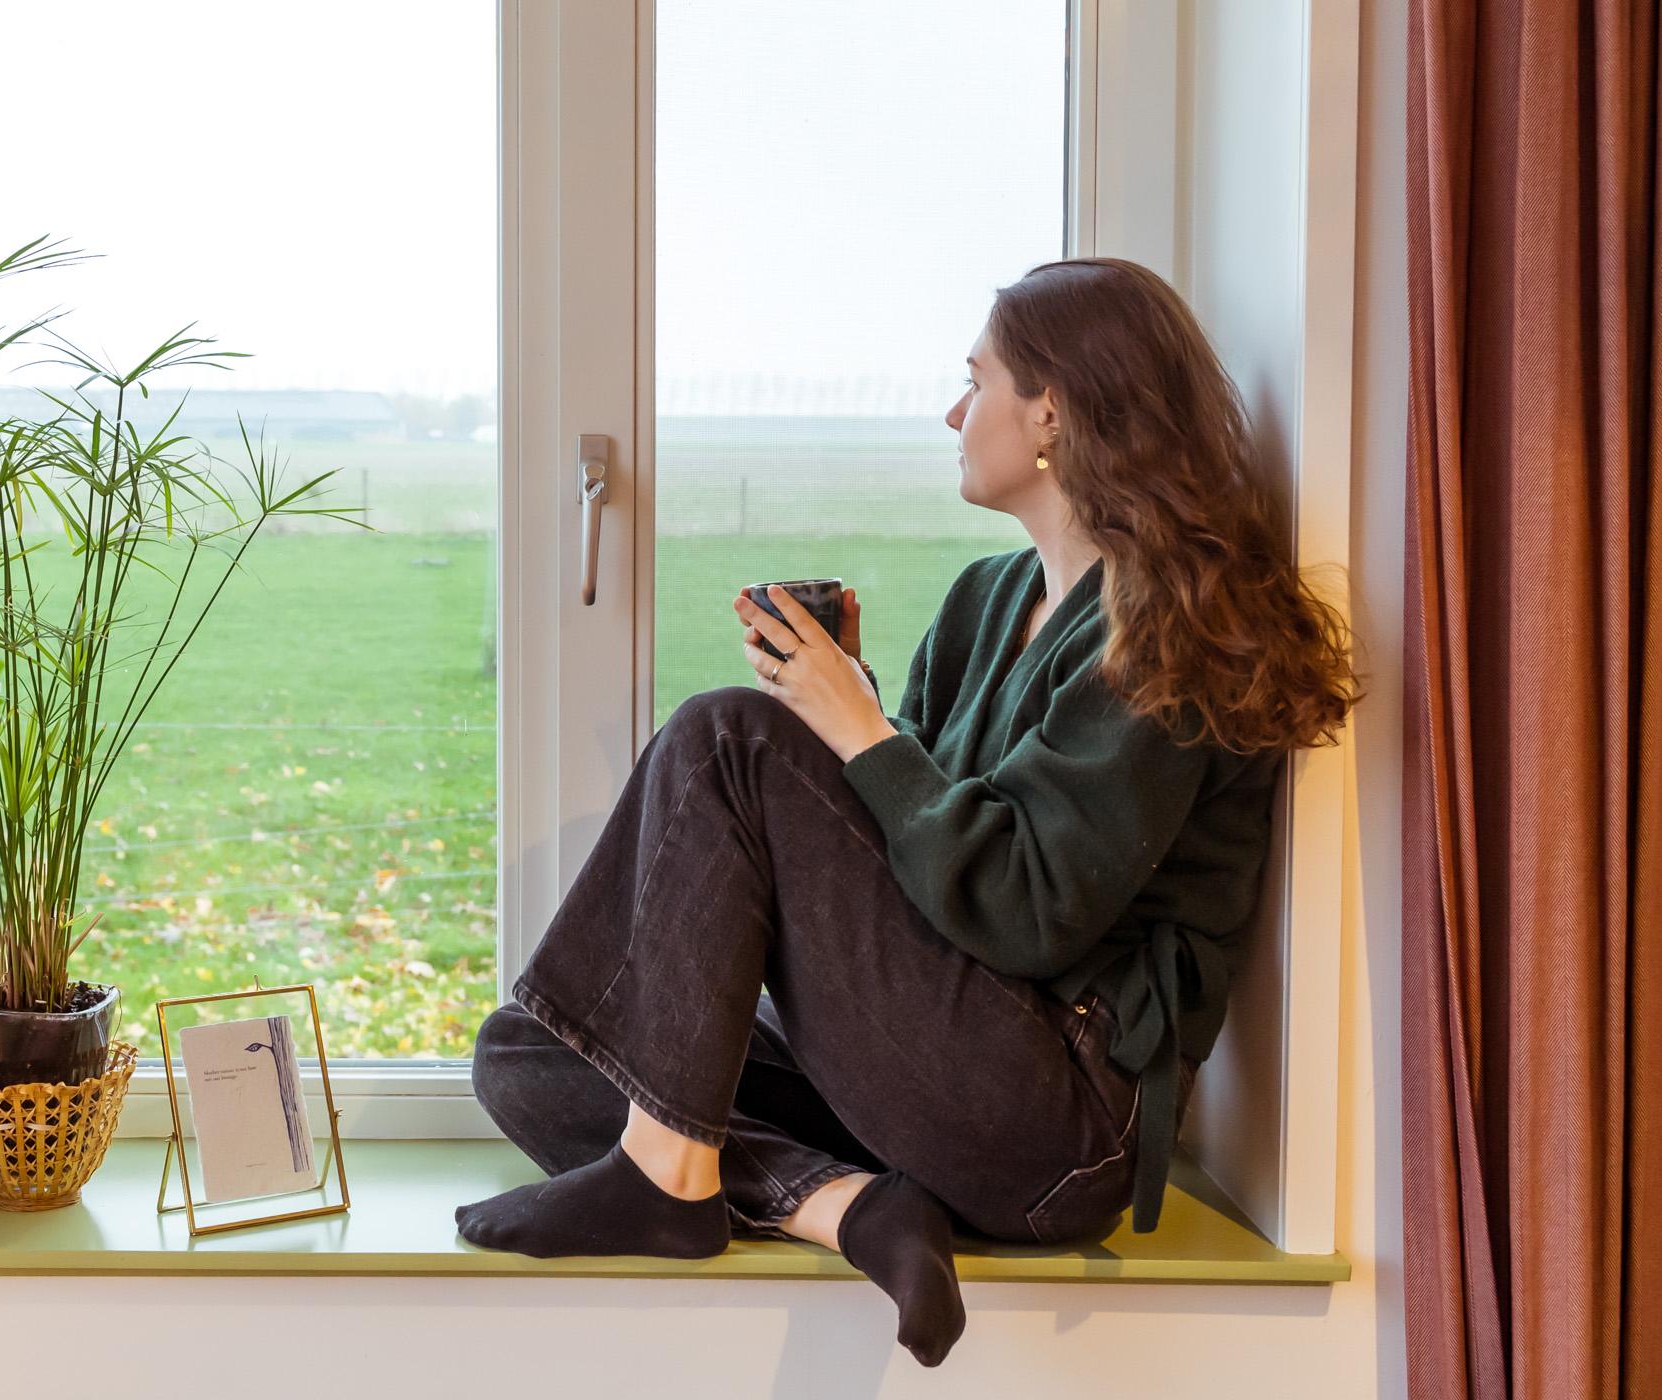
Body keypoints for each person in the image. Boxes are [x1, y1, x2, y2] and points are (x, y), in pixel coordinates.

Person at [452, 256, 1363, 1368]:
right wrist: (854, 717)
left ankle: (674, 1179)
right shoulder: (989, 597)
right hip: (935, 1060)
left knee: (726, 735)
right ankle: (841, 1206)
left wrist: (854, 731)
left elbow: (1029, 915)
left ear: (1052, 411)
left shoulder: (1165, 629)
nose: (952, 410)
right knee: (530, 1053)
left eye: (973, 379)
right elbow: (906, 843)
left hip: (1056, 1117)